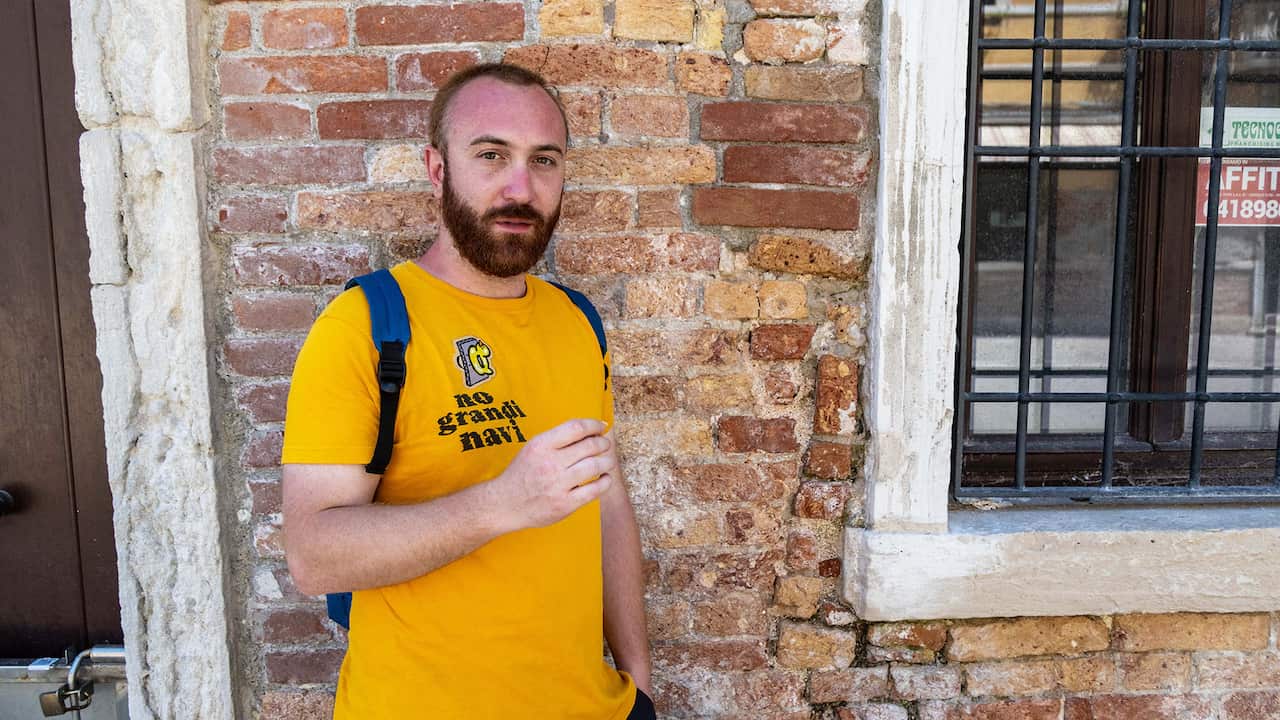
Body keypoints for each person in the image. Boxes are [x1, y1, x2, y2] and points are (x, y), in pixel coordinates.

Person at [280, 63, 654, 719]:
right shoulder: (365, 329)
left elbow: (608, 504)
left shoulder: (577, 323)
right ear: (437, 169)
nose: (520, 187)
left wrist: (638, 684)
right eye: (491, 155)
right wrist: (501, 504)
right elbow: (313, 557)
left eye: (544, 160)